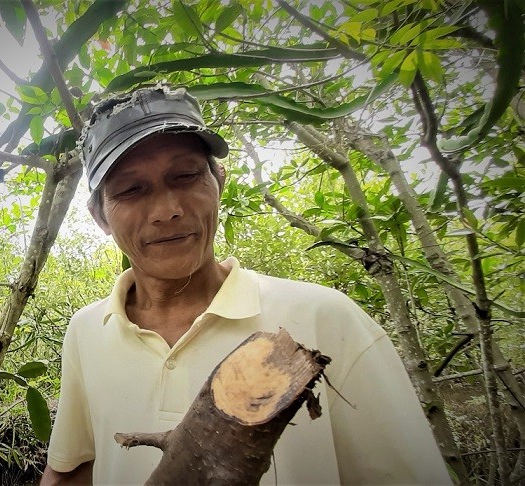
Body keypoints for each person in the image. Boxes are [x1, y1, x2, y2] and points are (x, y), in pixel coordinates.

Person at [41, 86, 452, 485]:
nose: (167, 211)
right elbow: (71, 469)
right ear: (100, 215)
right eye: (131, 190)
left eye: (185, 176)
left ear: (219, 181)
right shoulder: (86, 331)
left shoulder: (325, 319)